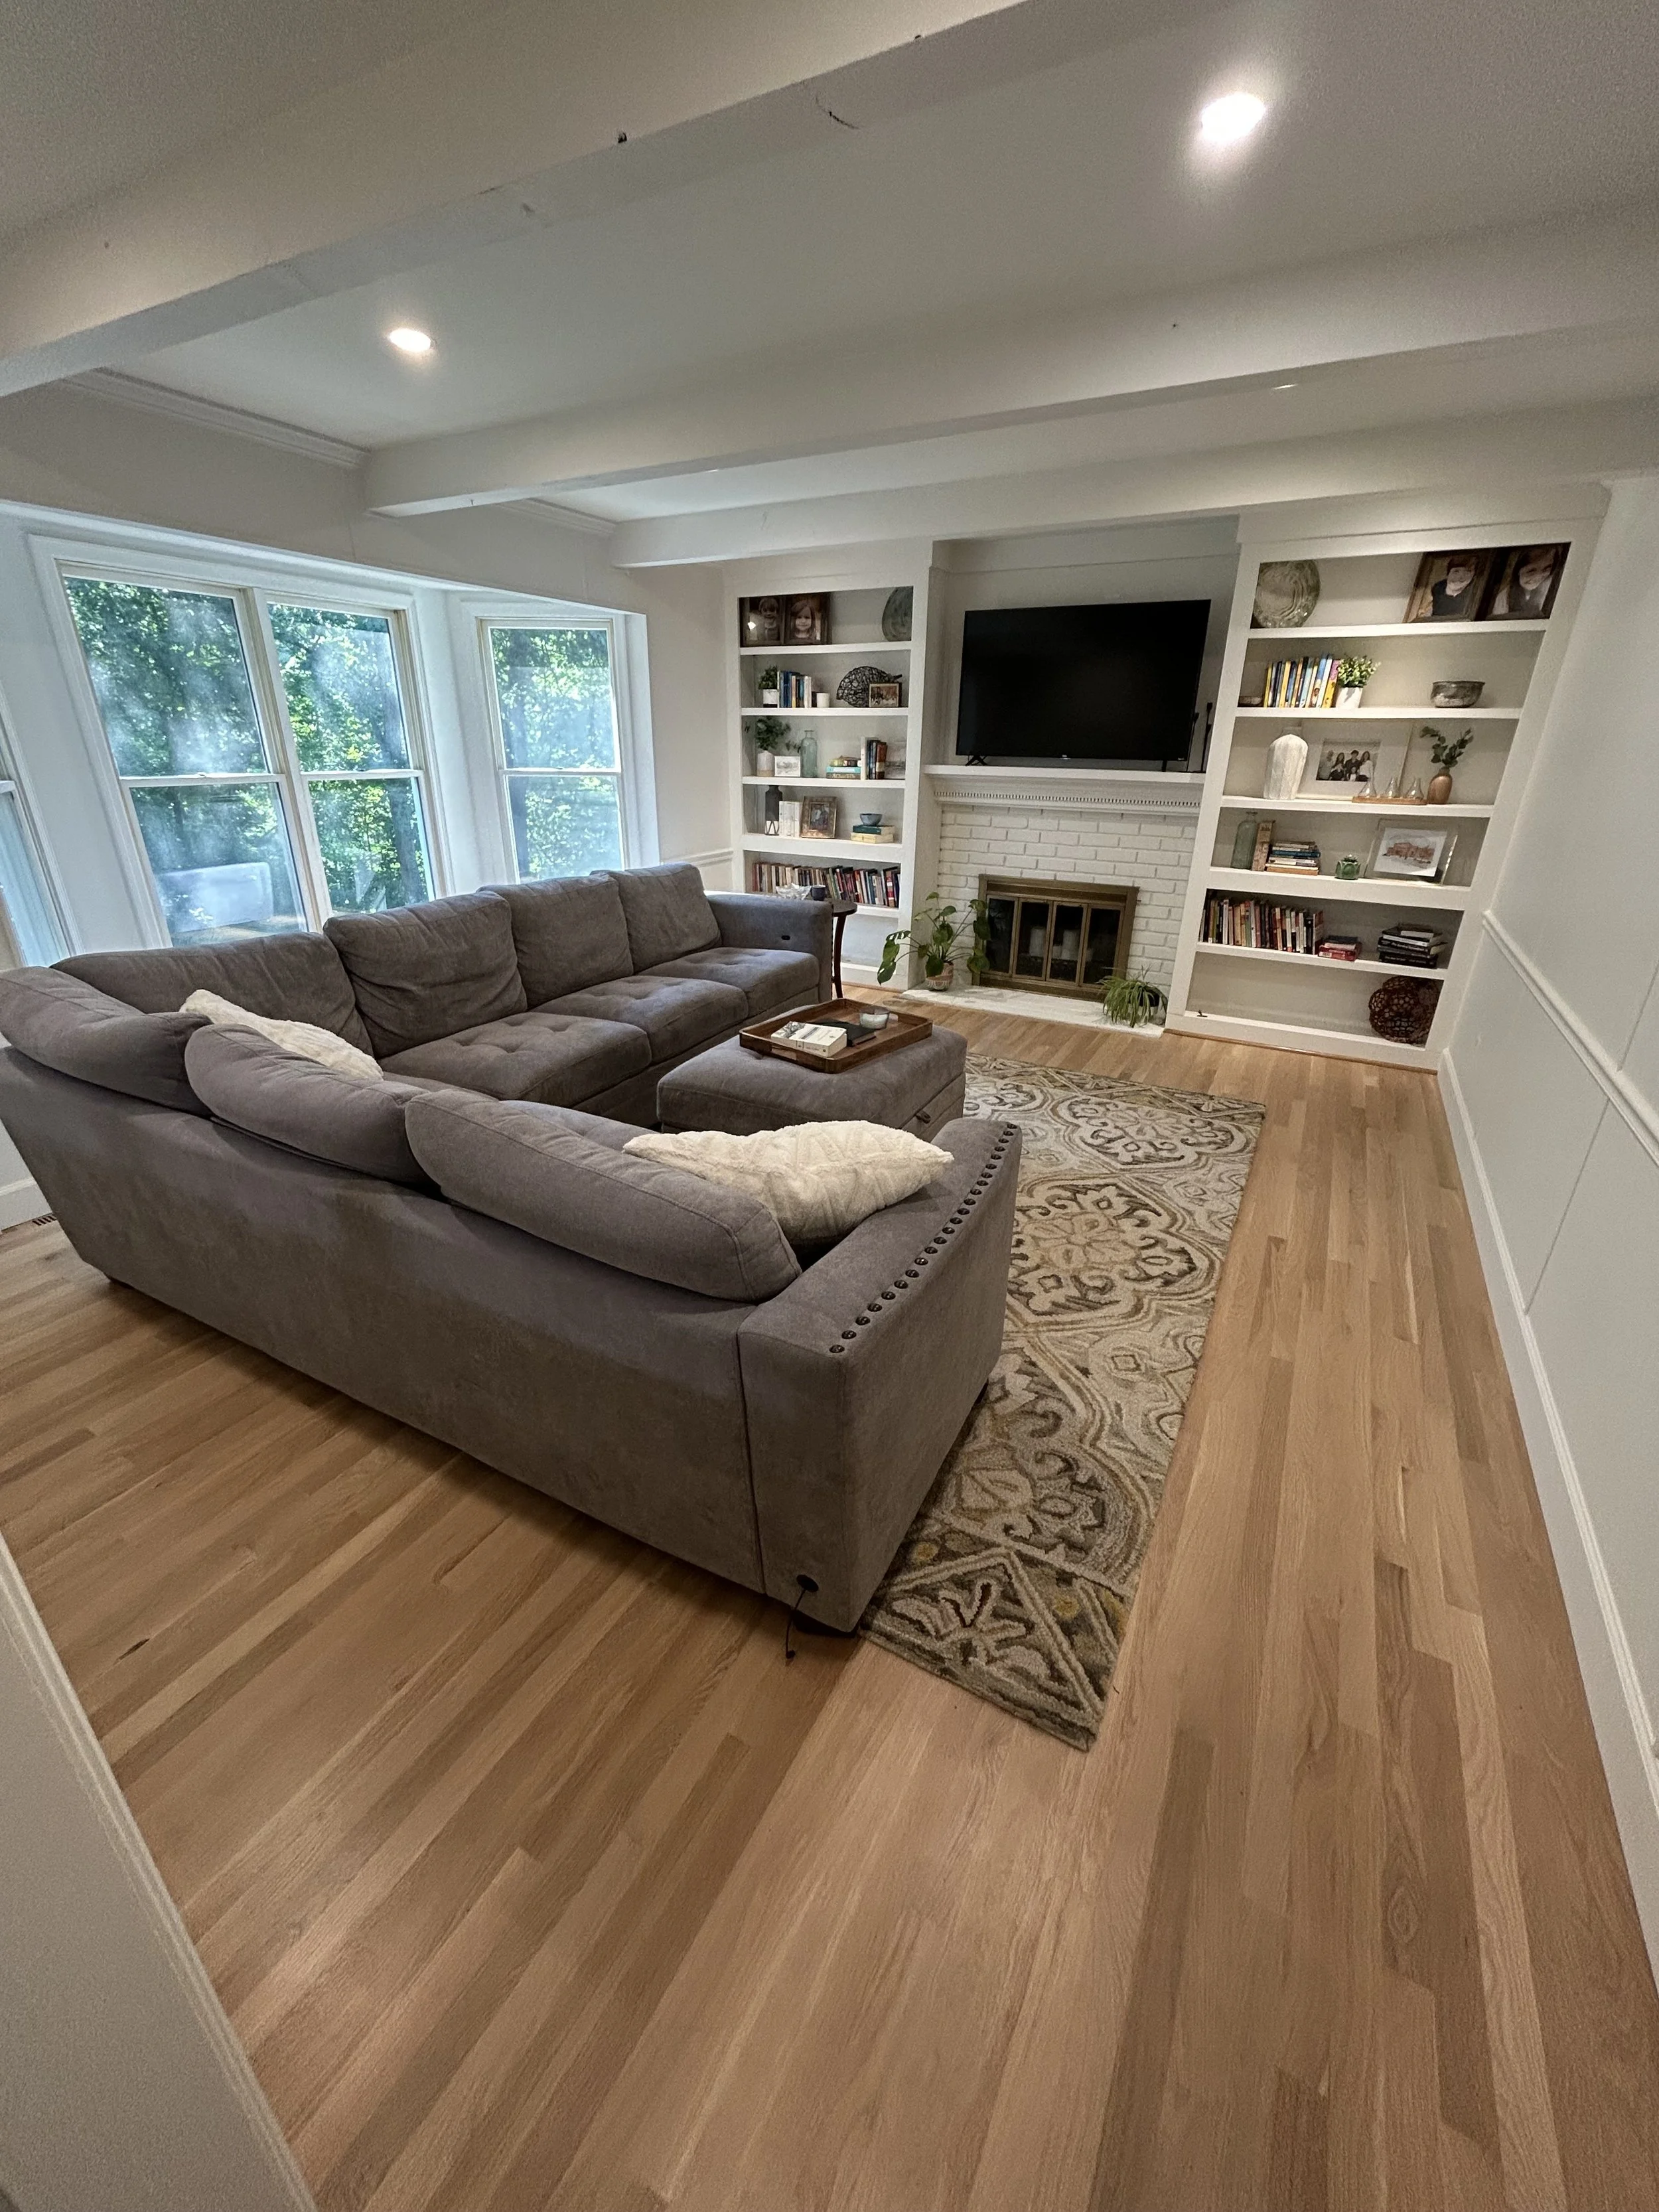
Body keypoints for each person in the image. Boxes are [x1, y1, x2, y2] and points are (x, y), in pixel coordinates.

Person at [1493, 546, 1557, 617]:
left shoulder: (1553, 590)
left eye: (1547, 568)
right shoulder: (1504, 598)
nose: (1538, 577)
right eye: (1531, 571)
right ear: (1517, 572)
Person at [1427, 555, 1480, 619]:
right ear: (1448, 573)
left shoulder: (1474, 592)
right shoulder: (1438, 588)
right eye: (1456, 571)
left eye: (1468, 572)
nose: (1461, 577)